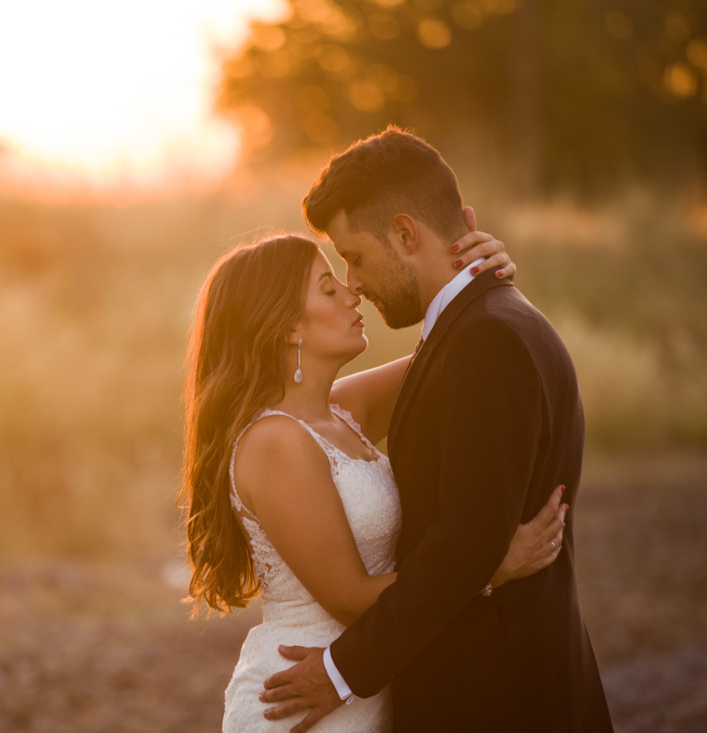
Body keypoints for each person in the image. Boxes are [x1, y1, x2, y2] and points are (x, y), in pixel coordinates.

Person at [257, 128, 613, 732]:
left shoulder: (488, 338)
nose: (355, 283)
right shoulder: (481, 326)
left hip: (498, 701)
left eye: (357, 257)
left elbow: (465, 546)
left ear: (404, 233)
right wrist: (473, 276)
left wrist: (341, 672)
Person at [181, 230, 567, 732]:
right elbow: (349, 595)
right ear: (286, 327)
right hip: (302, 696)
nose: (351, 292)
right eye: (327, 288)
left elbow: (461, 348)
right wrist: (491, 568)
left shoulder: (341, 412)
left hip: (370, 682)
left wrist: (484, 282)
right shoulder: (275, 442)